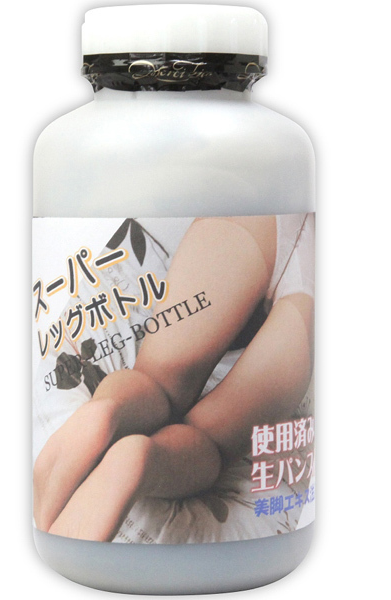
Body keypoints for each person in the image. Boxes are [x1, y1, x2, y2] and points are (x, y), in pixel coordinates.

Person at [33, 215, 314, 542]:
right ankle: (144, 460)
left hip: (259, 213)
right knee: (212, 441)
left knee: (157, 380)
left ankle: (108, 410)